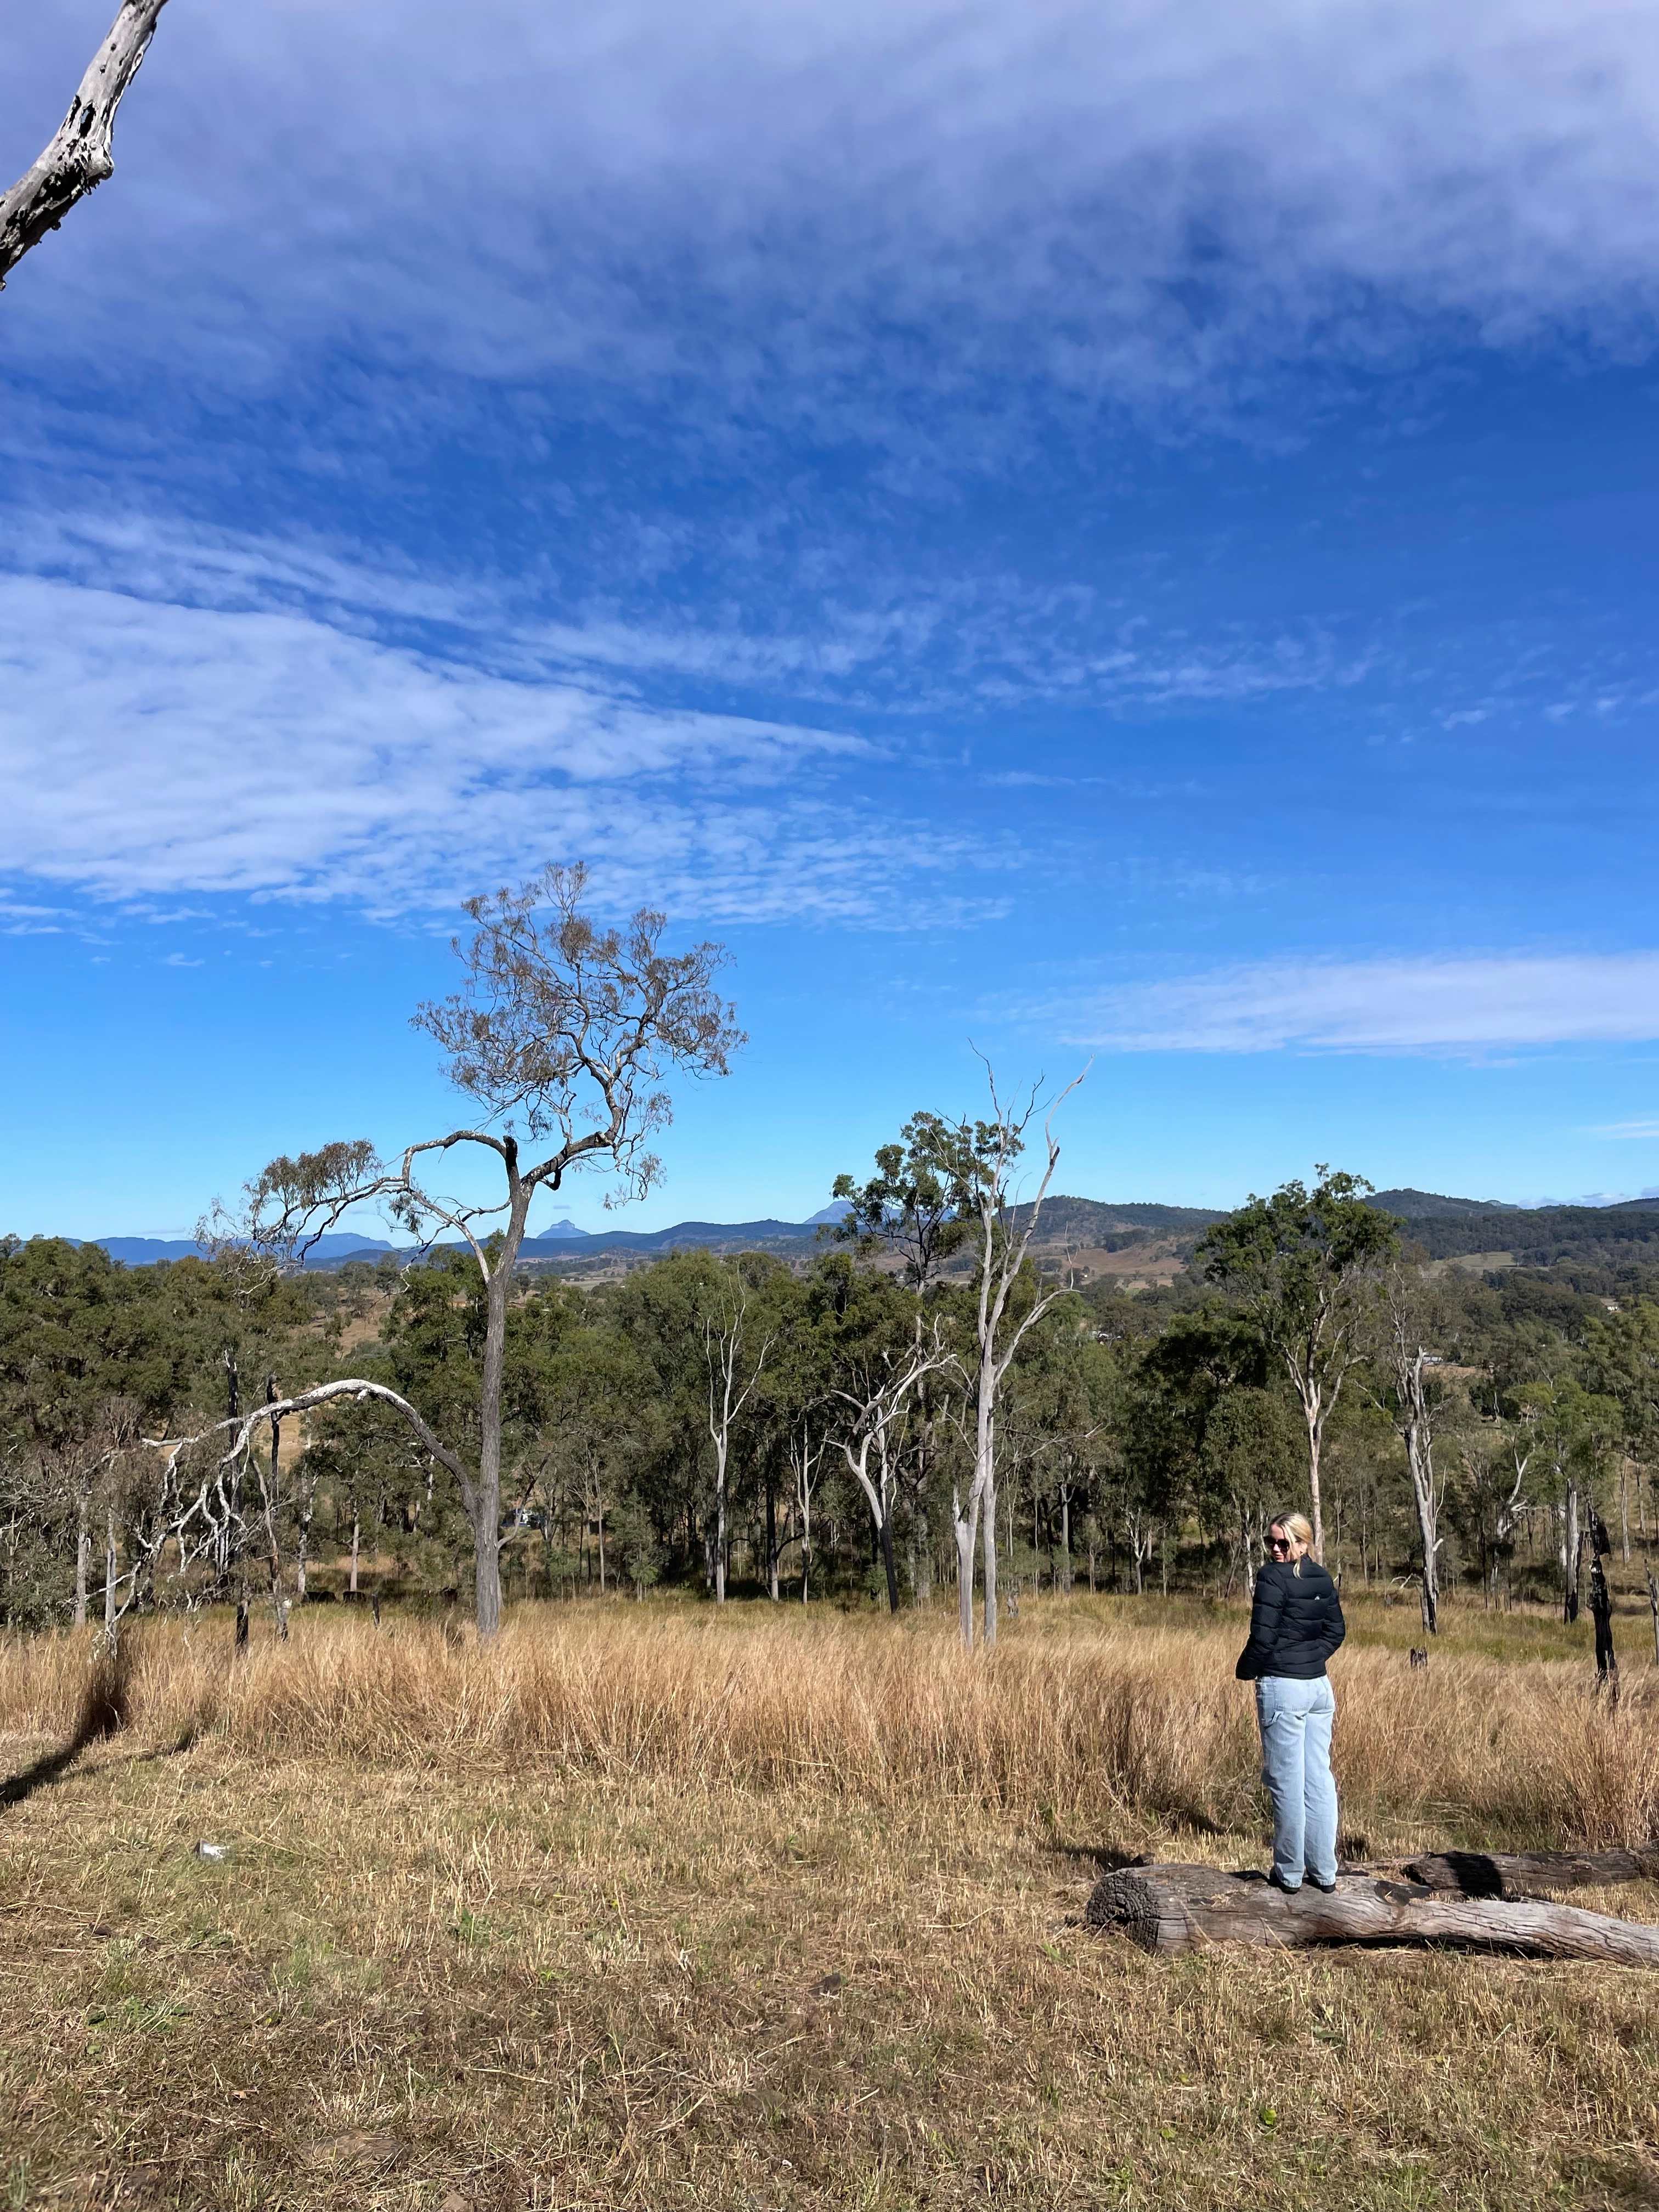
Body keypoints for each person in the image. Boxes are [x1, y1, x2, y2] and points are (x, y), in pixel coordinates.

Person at [1234, 1511, 1346, 1893]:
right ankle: (1325, 1873)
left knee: (1287, 1783)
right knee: (1318, 1780)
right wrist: (1309, 1659)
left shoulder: (1271, 1577)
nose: (1276, 1550)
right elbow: (1336, 1631)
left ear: (1303, 1543)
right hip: (1318, 1688)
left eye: (1284, 1543)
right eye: (1271, 1542)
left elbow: (1262, 1639)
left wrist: (1246, 1670)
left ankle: (1290, 1873)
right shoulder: (1321, 1577)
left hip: (1284, 1688)